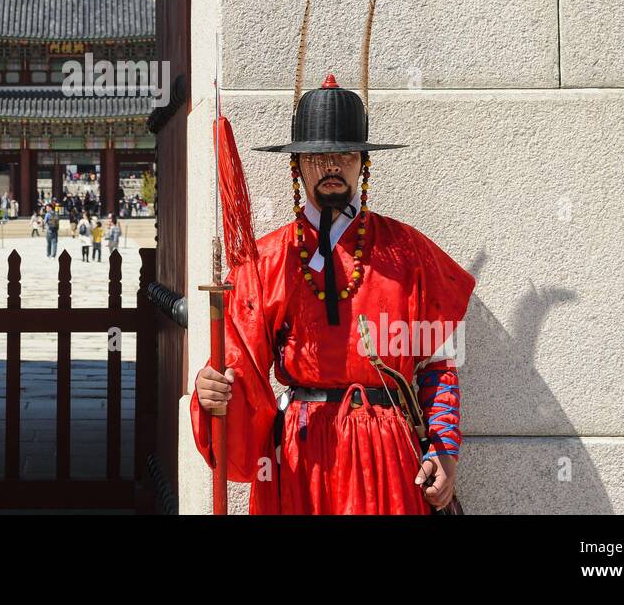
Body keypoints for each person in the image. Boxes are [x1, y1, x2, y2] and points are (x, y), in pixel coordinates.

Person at [190, 61, 475, 515]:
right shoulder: (266, 260)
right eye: (317, 156)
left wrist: (443, 448)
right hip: (301, 454)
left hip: (386, 453)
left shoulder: (408, 251)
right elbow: (237, 367)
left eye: (344, 155)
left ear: (364, 164)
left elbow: (436, 363)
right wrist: (213, 392)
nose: (331, 166)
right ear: (296, 166)